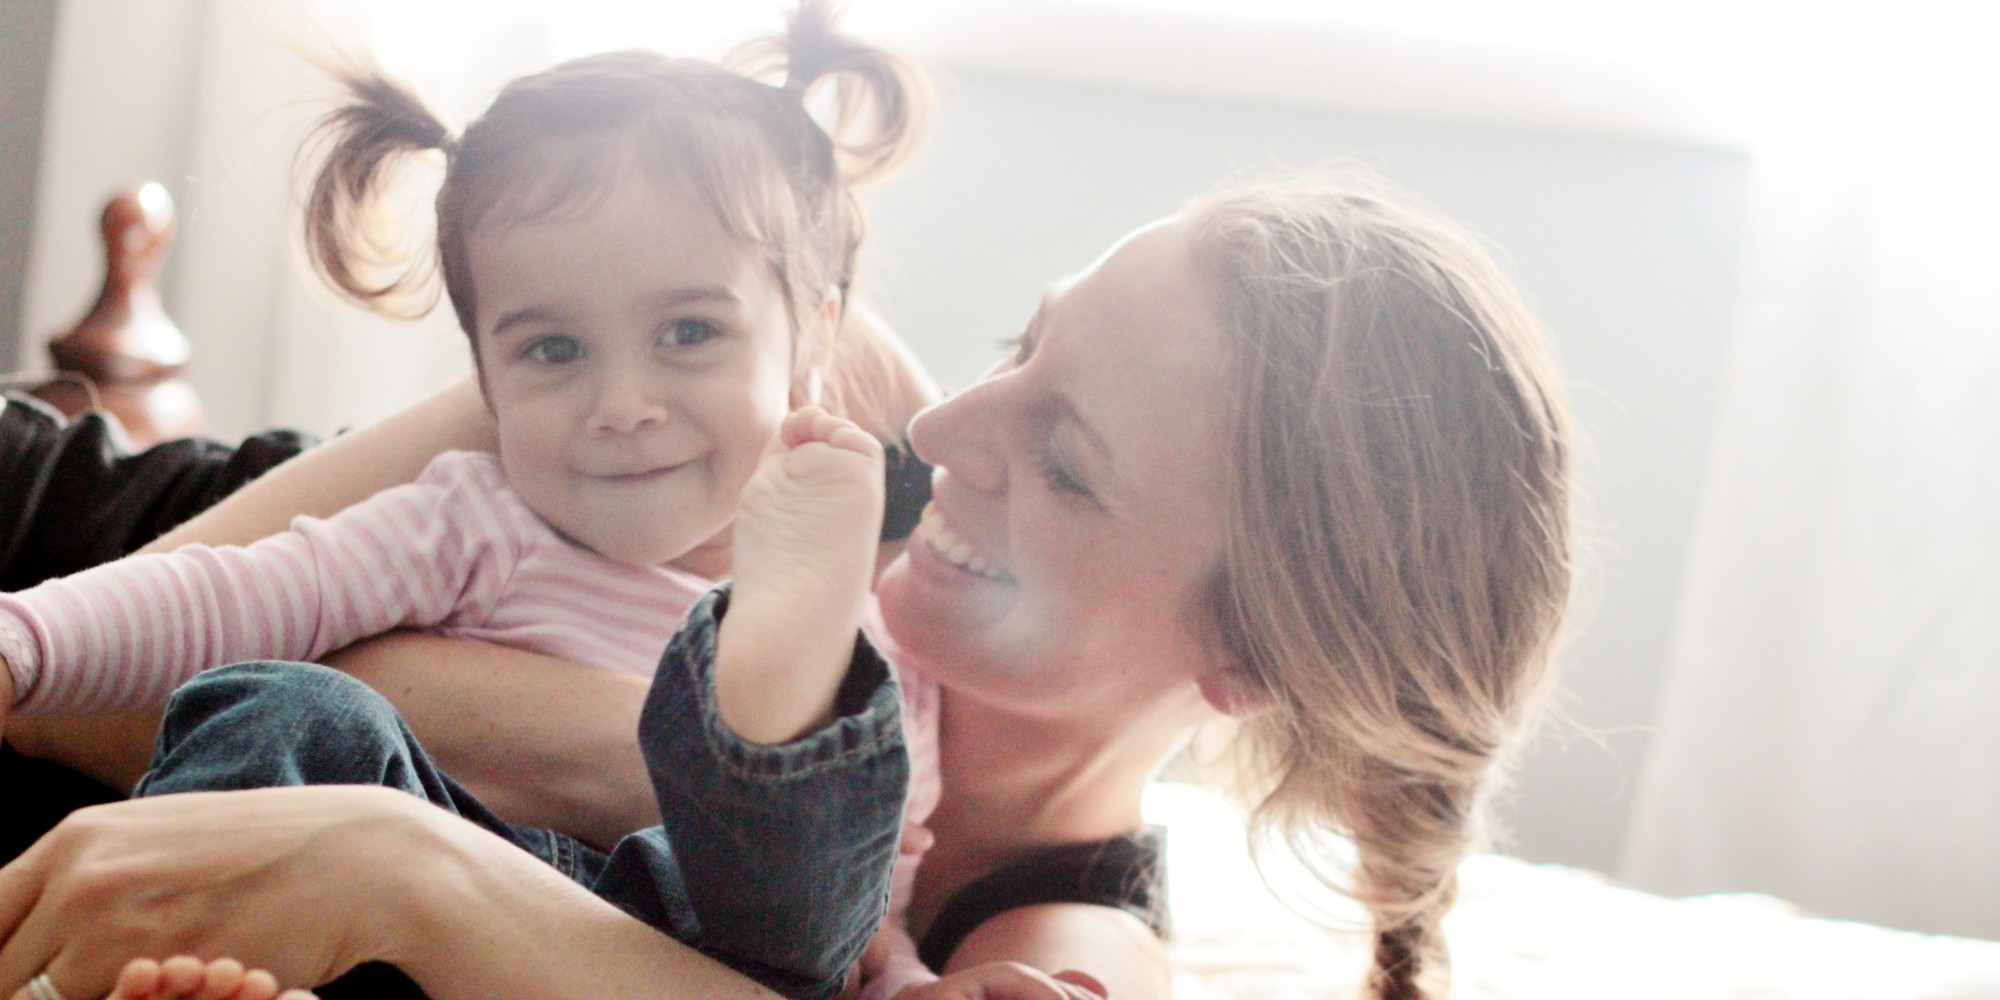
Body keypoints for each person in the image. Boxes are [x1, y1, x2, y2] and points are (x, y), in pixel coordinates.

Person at [0, 171, 1574, 1000]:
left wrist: (412, 866)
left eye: (1070, 459)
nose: (951, 428)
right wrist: (588, 759)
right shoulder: (826, 407)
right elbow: (137, 649)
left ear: (1241, 656)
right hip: (62, 543)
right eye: (1025, 347)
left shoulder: (1051, 940)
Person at [0, 5, 946, 999]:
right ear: (482, 381)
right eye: (552, 349)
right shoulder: (471, 521)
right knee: (284, 700)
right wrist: (21, 644)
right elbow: (229, 591)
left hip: (644, 952)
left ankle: (769, 707)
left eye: (688, 332)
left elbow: (882, 911)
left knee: (821, 830)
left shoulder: (880, 631)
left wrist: (913, 979)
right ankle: (198, 967)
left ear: (813, 340)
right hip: (396, 931)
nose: (621, 405)